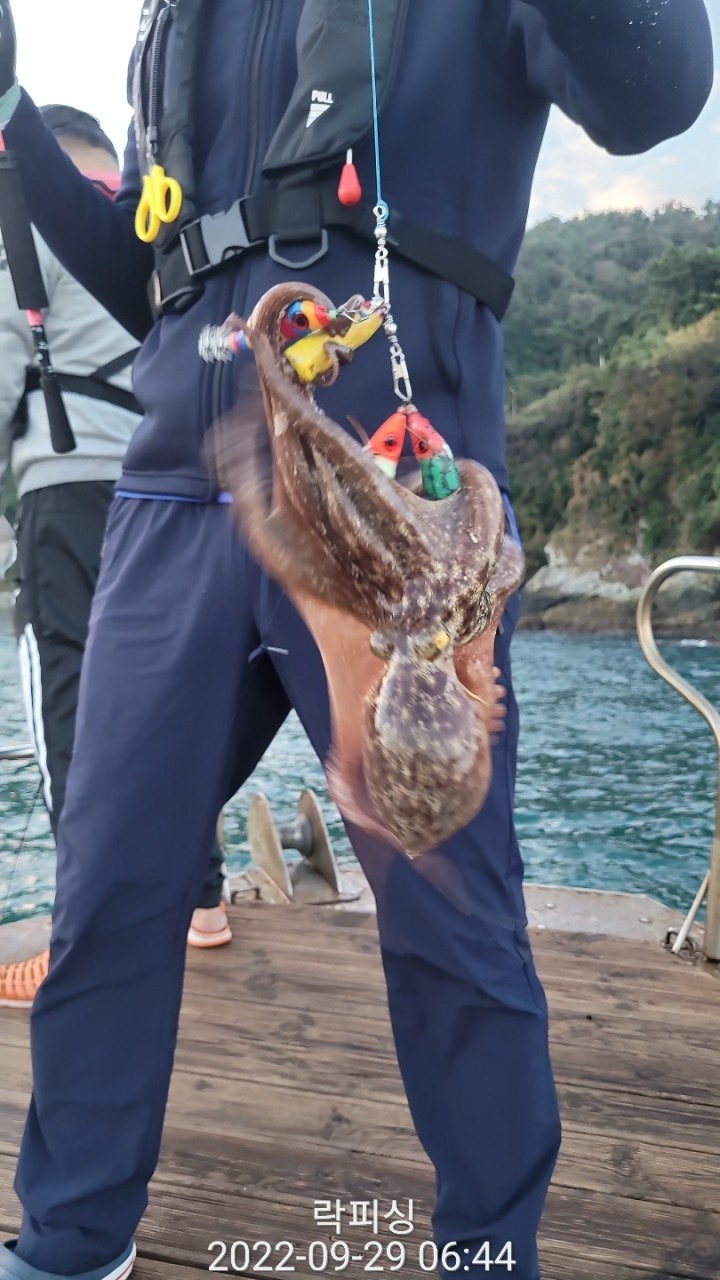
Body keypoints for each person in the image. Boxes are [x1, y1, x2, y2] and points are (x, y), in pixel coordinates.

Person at [0, 2, 713, 1277]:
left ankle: (486, 1250)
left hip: (396, 493)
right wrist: (12, 114)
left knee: (451, 911)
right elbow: (150, 281)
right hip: (172, 489)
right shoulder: (178, 24)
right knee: (107, 886)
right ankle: (68, 1243)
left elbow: (657, 93)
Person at [0, 104, 232, 1010]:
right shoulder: (152, 230)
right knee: (173, 700)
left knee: (74, 715)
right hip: (173, 493)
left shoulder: (25, 222)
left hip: (65, 495)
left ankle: (81, 942)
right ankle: (203, 902)